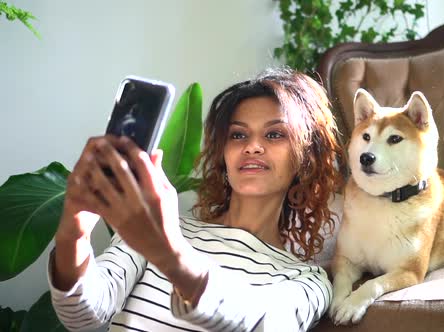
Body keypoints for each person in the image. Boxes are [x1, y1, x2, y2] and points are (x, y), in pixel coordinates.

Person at [48, 68, 344, 331]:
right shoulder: (157, 229)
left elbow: (264, 321)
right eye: (238, 136)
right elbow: (81, 317)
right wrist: (74, 231)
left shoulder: (308, 280)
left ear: (306, 159)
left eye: (275, 134)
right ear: (223, 155)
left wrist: (171, 254)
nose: (253, 146)